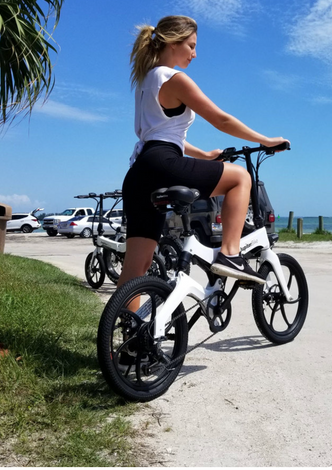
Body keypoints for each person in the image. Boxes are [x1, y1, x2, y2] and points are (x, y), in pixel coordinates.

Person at [120, 15, 289, 292]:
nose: (194, 54)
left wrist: (205, 156)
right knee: (240, 178)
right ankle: (231, 254)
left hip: (139, 171)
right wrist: (266, 140)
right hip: (163, 163)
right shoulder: (174, 78)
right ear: (173, 42)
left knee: (135, 268)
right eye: (191, 45)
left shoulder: (145, 84)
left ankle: (127, 327)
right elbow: (221, 120)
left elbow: (163, 135)